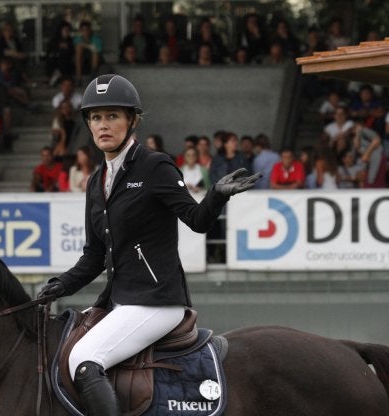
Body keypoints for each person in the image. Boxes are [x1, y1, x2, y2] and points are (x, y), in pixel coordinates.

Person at [36, 74, 260, 416]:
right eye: (95, 117)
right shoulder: (96, 182)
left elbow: (196, 220)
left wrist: (215, 195)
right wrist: (59, 286)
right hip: (119, 301)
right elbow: (94, 256)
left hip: (157, 301)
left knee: (84, 359)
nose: (103, 125)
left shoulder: (154, 165)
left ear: (132, 120)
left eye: (112, 116)